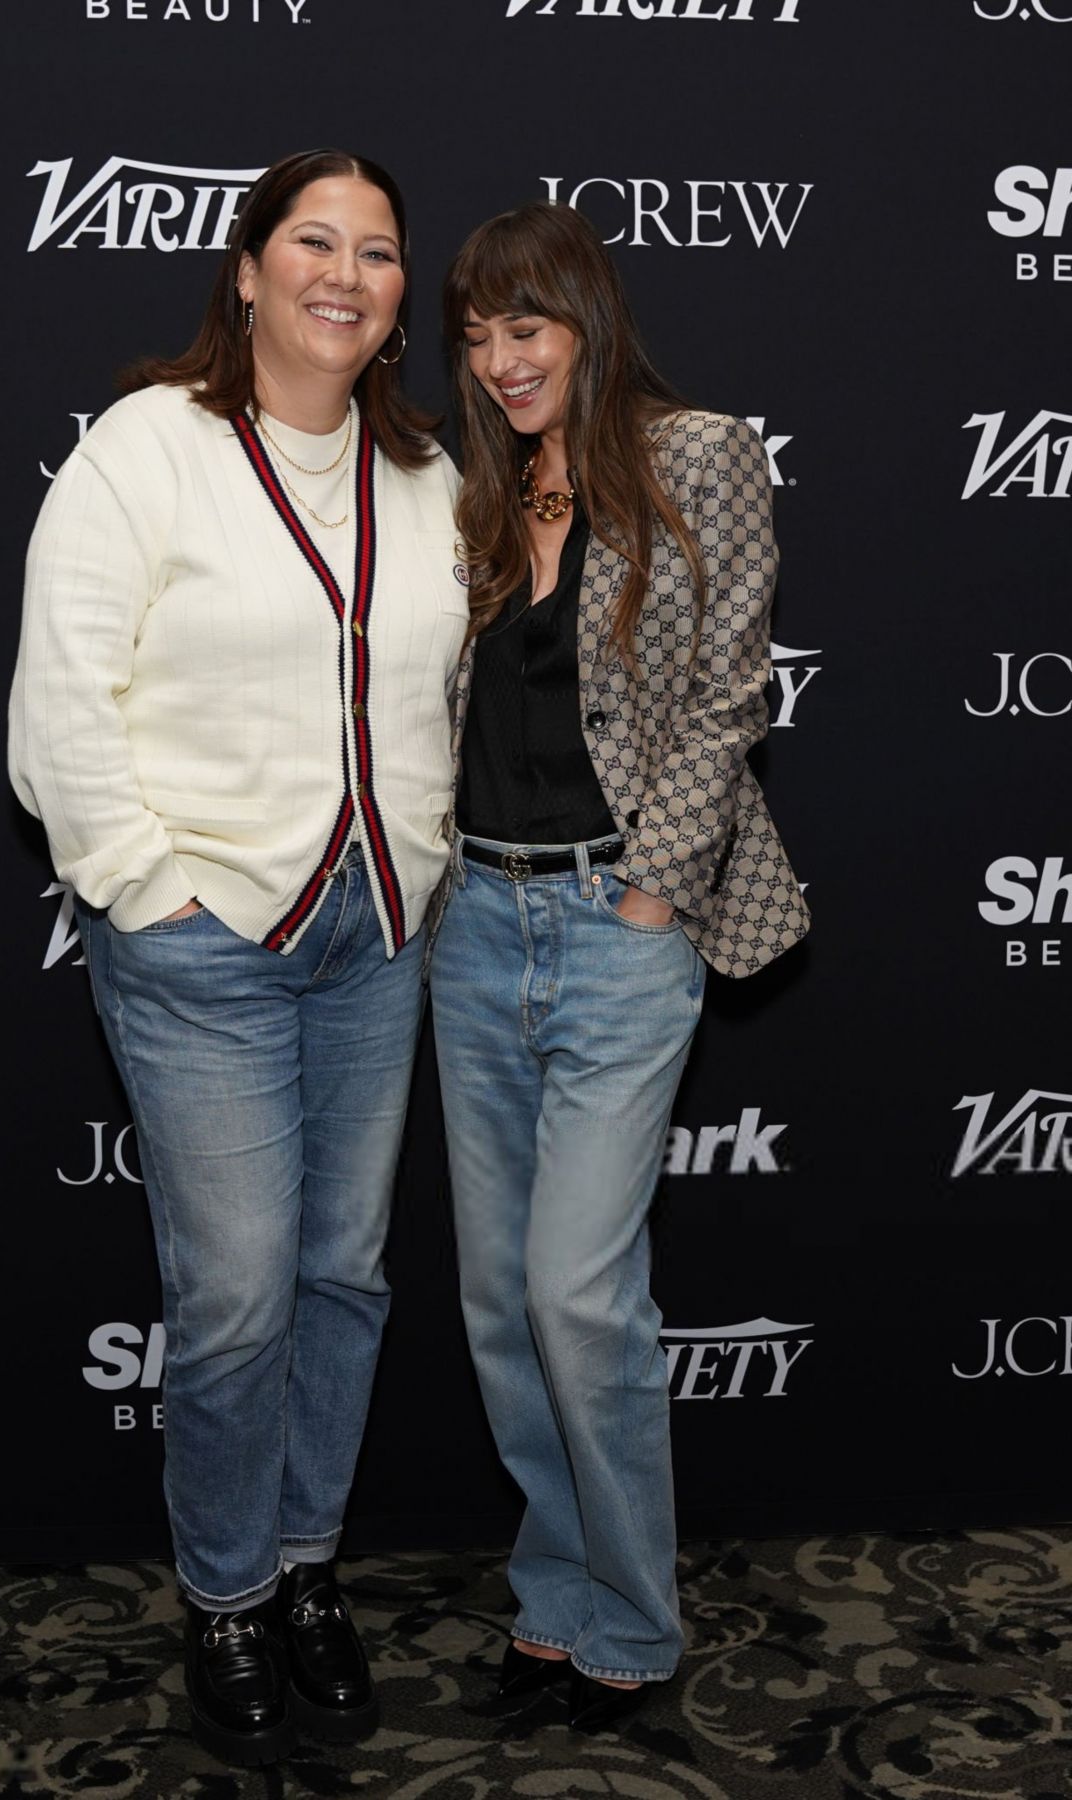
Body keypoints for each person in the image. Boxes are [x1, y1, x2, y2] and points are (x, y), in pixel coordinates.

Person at [9, 148, 467, 1768]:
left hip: (377, 935)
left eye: (383, 251)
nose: (348, 273)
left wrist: (421, 868)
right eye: (315, 243)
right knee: (233, 1294)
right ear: (250, 270)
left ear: (405, 295)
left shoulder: (428, 476)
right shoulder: (149, 451)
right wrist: (147, 891)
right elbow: (59, 704)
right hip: (205, 937)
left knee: (345, 1274)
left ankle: (302, 1569)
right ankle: (220, 1592)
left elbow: (452, 704)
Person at [428, 202, 809, 1734]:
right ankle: (556, 1597)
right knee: (503, 1308)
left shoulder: (698, 451)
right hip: (476, 924)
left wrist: (654, 889)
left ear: (585, 317)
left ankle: (636, 1624)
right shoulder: (483, 485)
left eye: (526, 326)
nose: (500, 358)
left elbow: (731, 691)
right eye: (475, 333)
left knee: (579, 1294)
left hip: (614, 923)